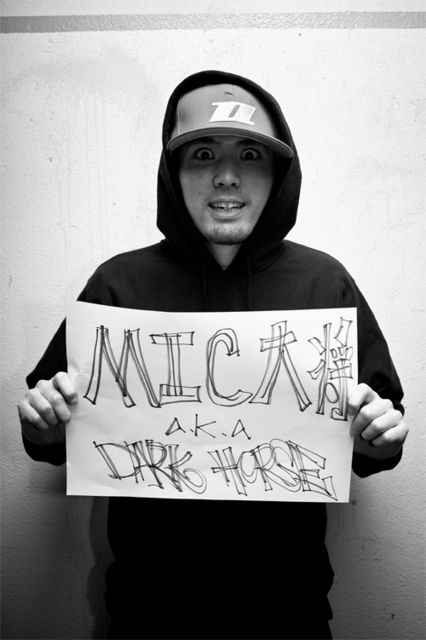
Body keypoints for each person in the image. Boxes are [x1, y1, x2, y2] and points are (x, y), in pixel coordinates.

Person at [18, 70, 408, 640]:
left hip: (290, 612)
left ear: (278, 173)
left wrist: (380, 437)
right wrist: (46, 424)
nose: (227, 175)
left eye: (250, 154)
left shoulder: (326, 285)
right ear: (173, 172)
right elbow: (49, 434)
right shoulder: (117, 286)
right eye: (202, 154)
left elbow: (377, 440)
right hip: (147, 612)